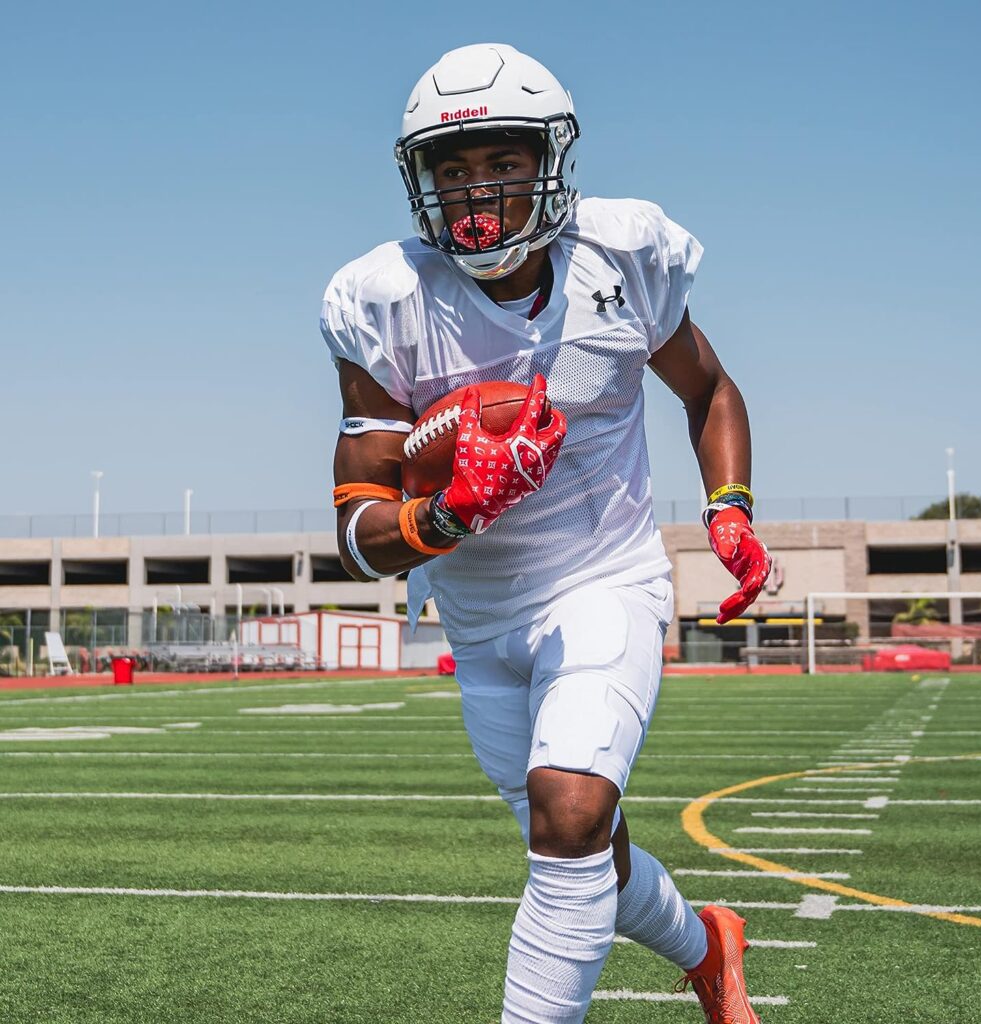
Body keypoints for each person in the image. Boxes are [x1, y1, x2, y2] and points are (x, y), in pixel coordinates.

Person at [320, 43, 772, 1024]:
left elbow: (708, 391)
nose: (475, 187)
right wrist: (439, 515)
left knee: (568, 812)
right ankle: (709, 948)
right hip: (479, 625)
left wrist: (728, 504)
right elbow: (355, 528)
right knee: (583, 846)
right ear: (418, 180)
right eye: (451, 166)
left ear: (550, 163)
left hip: (604, 577)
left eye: (501, 160)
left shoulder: (624, 258)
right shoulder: (383, 300)